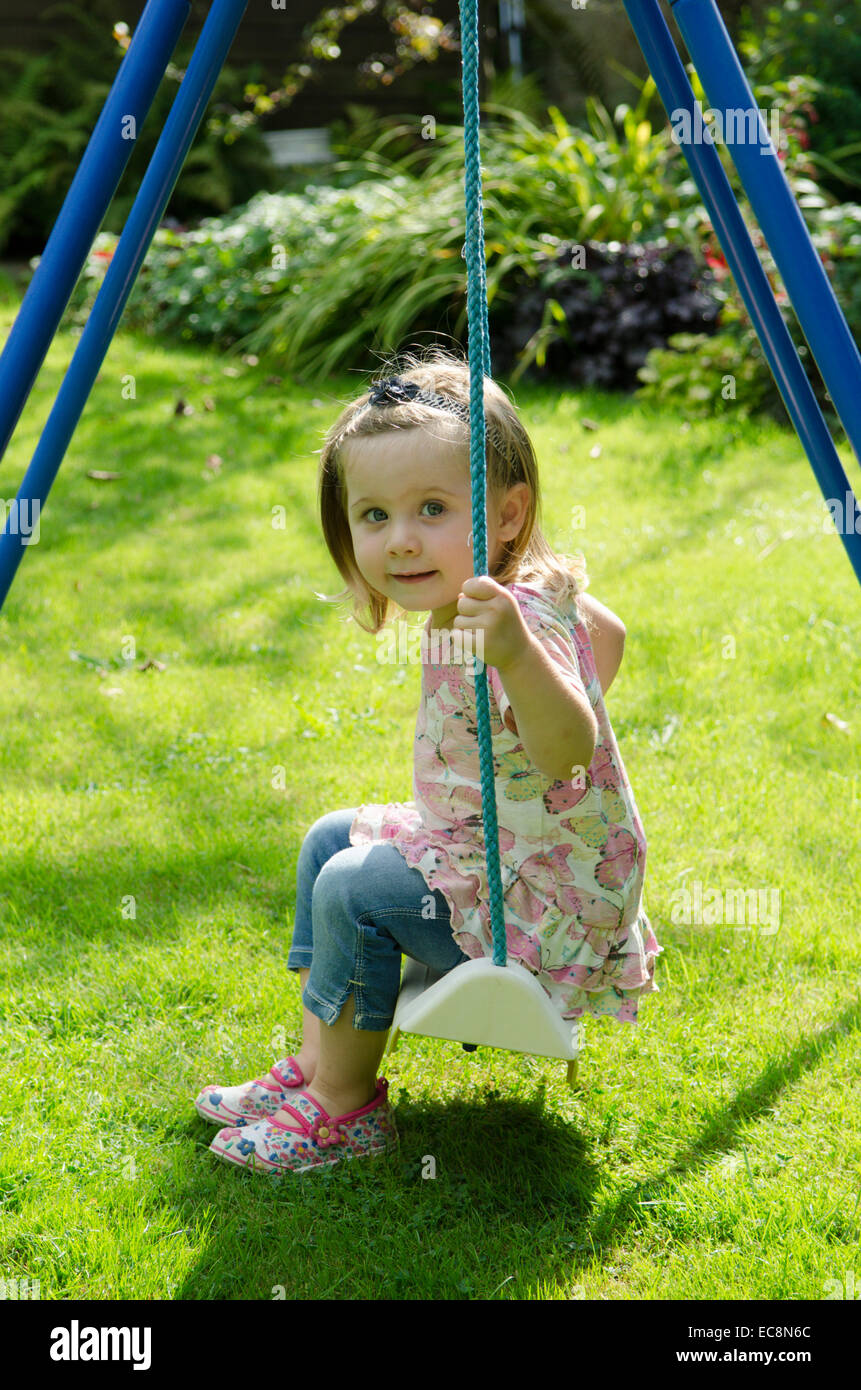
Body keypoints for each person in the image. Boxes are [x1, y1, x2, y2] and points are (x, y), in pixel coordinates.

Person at [194, 347, 662, 1175]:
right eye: (373, 516)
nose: (400, 542)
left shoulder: (508, 622)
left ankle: (345, 1112)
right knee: (326, 841)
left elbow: (568, 751)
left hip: (545, 907)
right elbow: (611, 635)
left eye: (432, 509)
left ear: (508, 514)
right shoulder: (512, 590)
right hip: (504, 850)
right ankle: (315, 1066)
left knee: (353, 888)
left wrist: (526, 663)